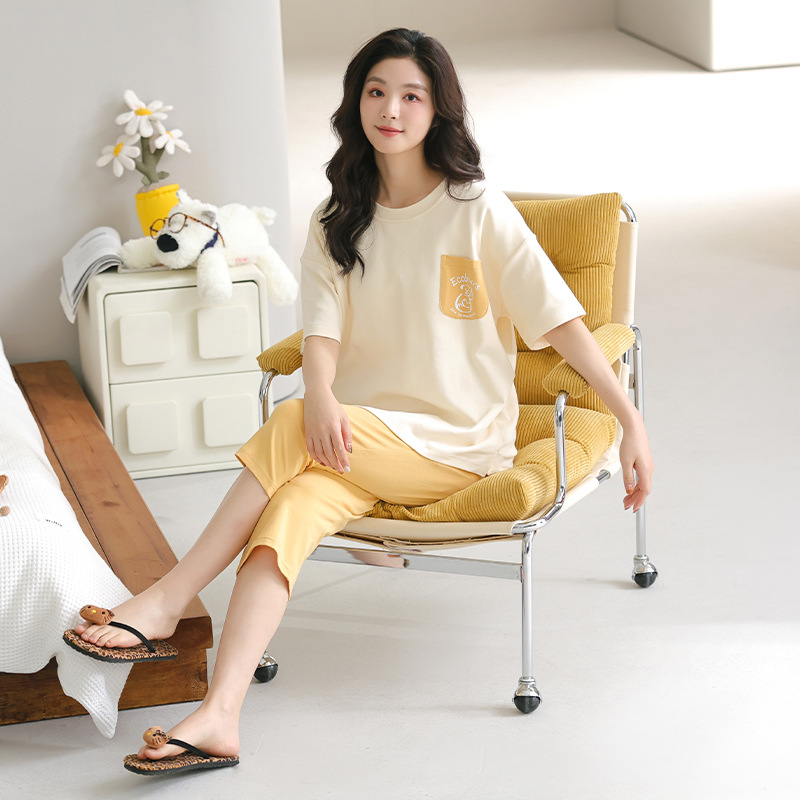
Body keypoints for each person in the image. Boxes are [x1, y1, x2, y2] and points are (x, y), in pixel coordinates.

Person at [68, 27, 653, 774]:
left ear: (438, 109)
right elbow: (321, 331)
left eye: (412, 95)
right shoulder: (336, 217)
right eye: (377, 92)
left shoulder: (475, 208)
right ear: (356, 103)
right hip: (353, 442)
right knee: (285, 515)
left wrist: (630, 421)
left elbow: (564, 323)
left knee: (289, 421)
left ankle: (167, 600)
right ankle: (220, 716)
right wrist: (319, 392)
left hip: (458, 444)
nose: (392, 110)